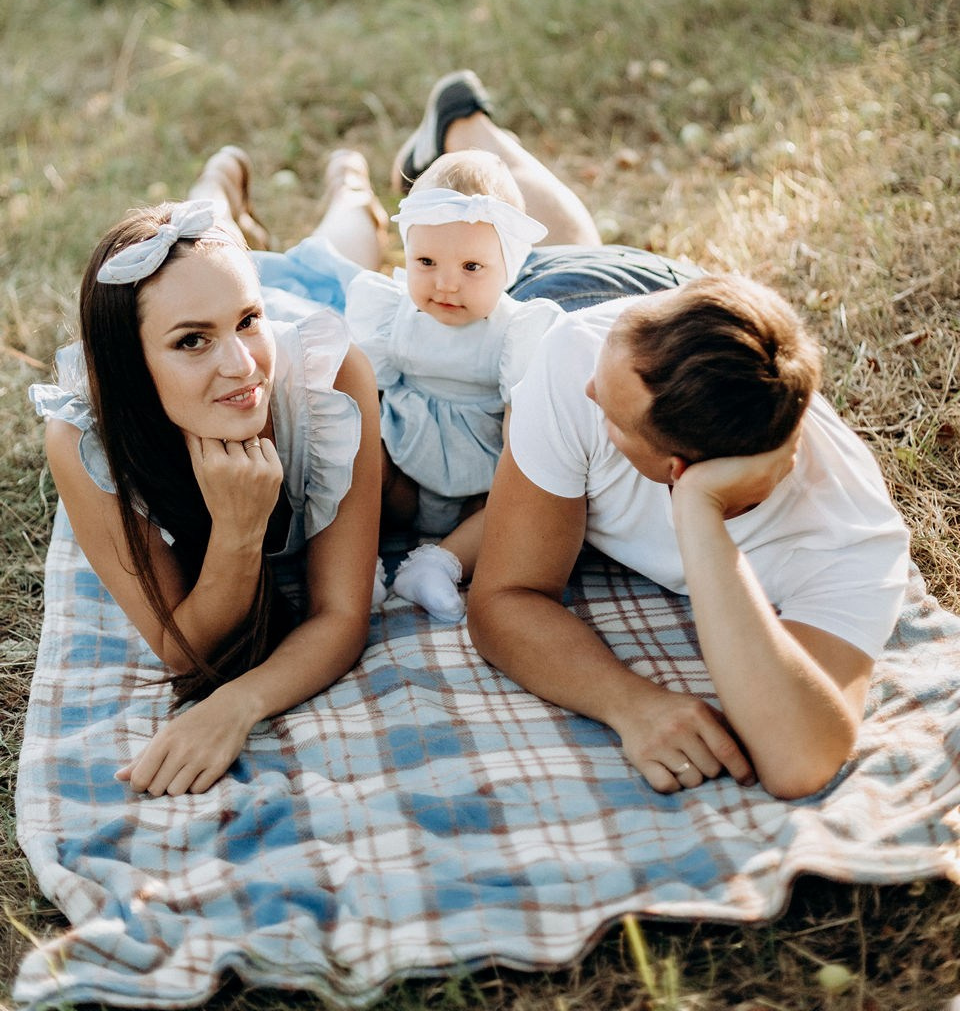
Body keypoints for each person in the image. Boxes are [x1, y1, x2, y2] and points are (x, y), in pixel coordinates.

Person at [394, 71, 912, 802]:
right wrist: (629, 703)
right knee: (507, 256)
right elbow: (504, 599)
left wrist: (699, 516)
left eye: (609, 414)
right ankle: (466, 134)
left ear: (674, 466)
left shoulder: (848, 538)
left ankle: (471, 132)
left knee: (564, 247)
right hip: (601, 302)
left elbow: (801, 756)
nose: (588, 398)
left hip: (664, 348)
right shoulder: (578, 356)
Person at [29, 148, 388, 798]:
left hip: (301, 297)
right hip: (205, 292)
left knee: (339, 244)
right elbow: (181, 647)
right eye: (191, 341)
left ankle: (347, 177)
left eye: (248, 323)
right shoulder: (84, 436)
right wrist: (237, 530)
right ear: (133, 366)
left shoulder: (329, 377)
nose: (242, 367)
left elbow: (341, 614)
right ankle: (219, 179)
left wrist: (238, 704)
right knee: (190, 255)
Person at [344, 148, 565, 623]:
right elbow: (364, 400)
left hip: (477, 486)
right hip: (404, 469)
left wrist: (515, 485)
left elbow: (520, 435)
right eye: (426, 261)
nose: (445, 284)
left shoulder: (516, 332)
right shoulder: (391, 315)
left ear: (508, 268)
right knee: (355, 454)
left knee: (526, 499)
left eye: (471, 267)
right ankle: (356, 562)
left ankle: (440, 564)